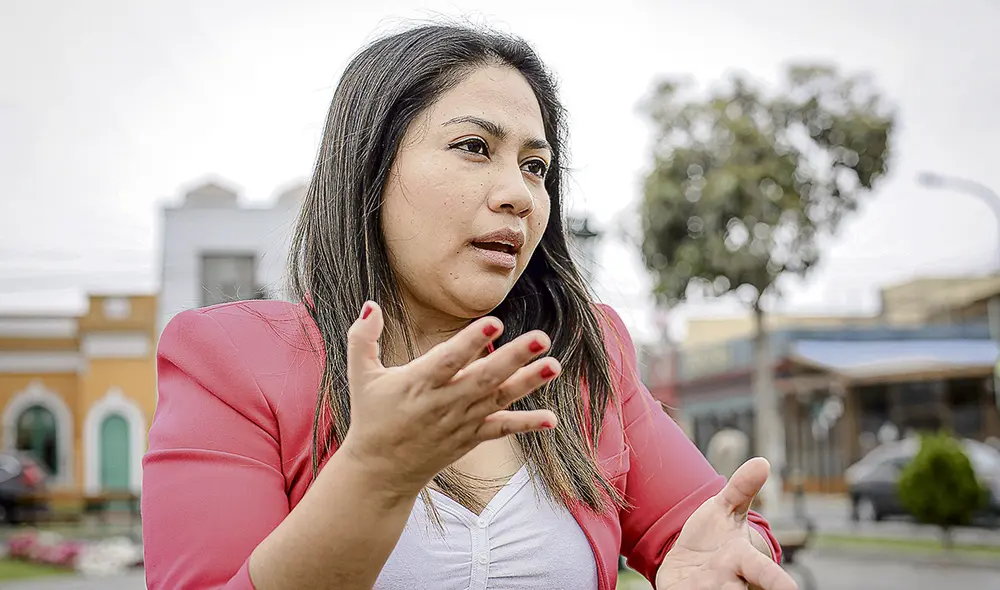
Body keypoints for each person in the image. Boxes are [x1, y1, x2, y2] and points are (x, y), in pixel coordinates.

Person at [141, 22, 797, 590]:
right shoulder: (234, 358)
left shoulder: (580, 354)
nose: (518, 193)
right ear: (368, 165)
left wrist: (731, 561)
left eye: (536, 166)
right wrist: (376, 475)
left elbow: (715, 530)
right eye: (474, 148)